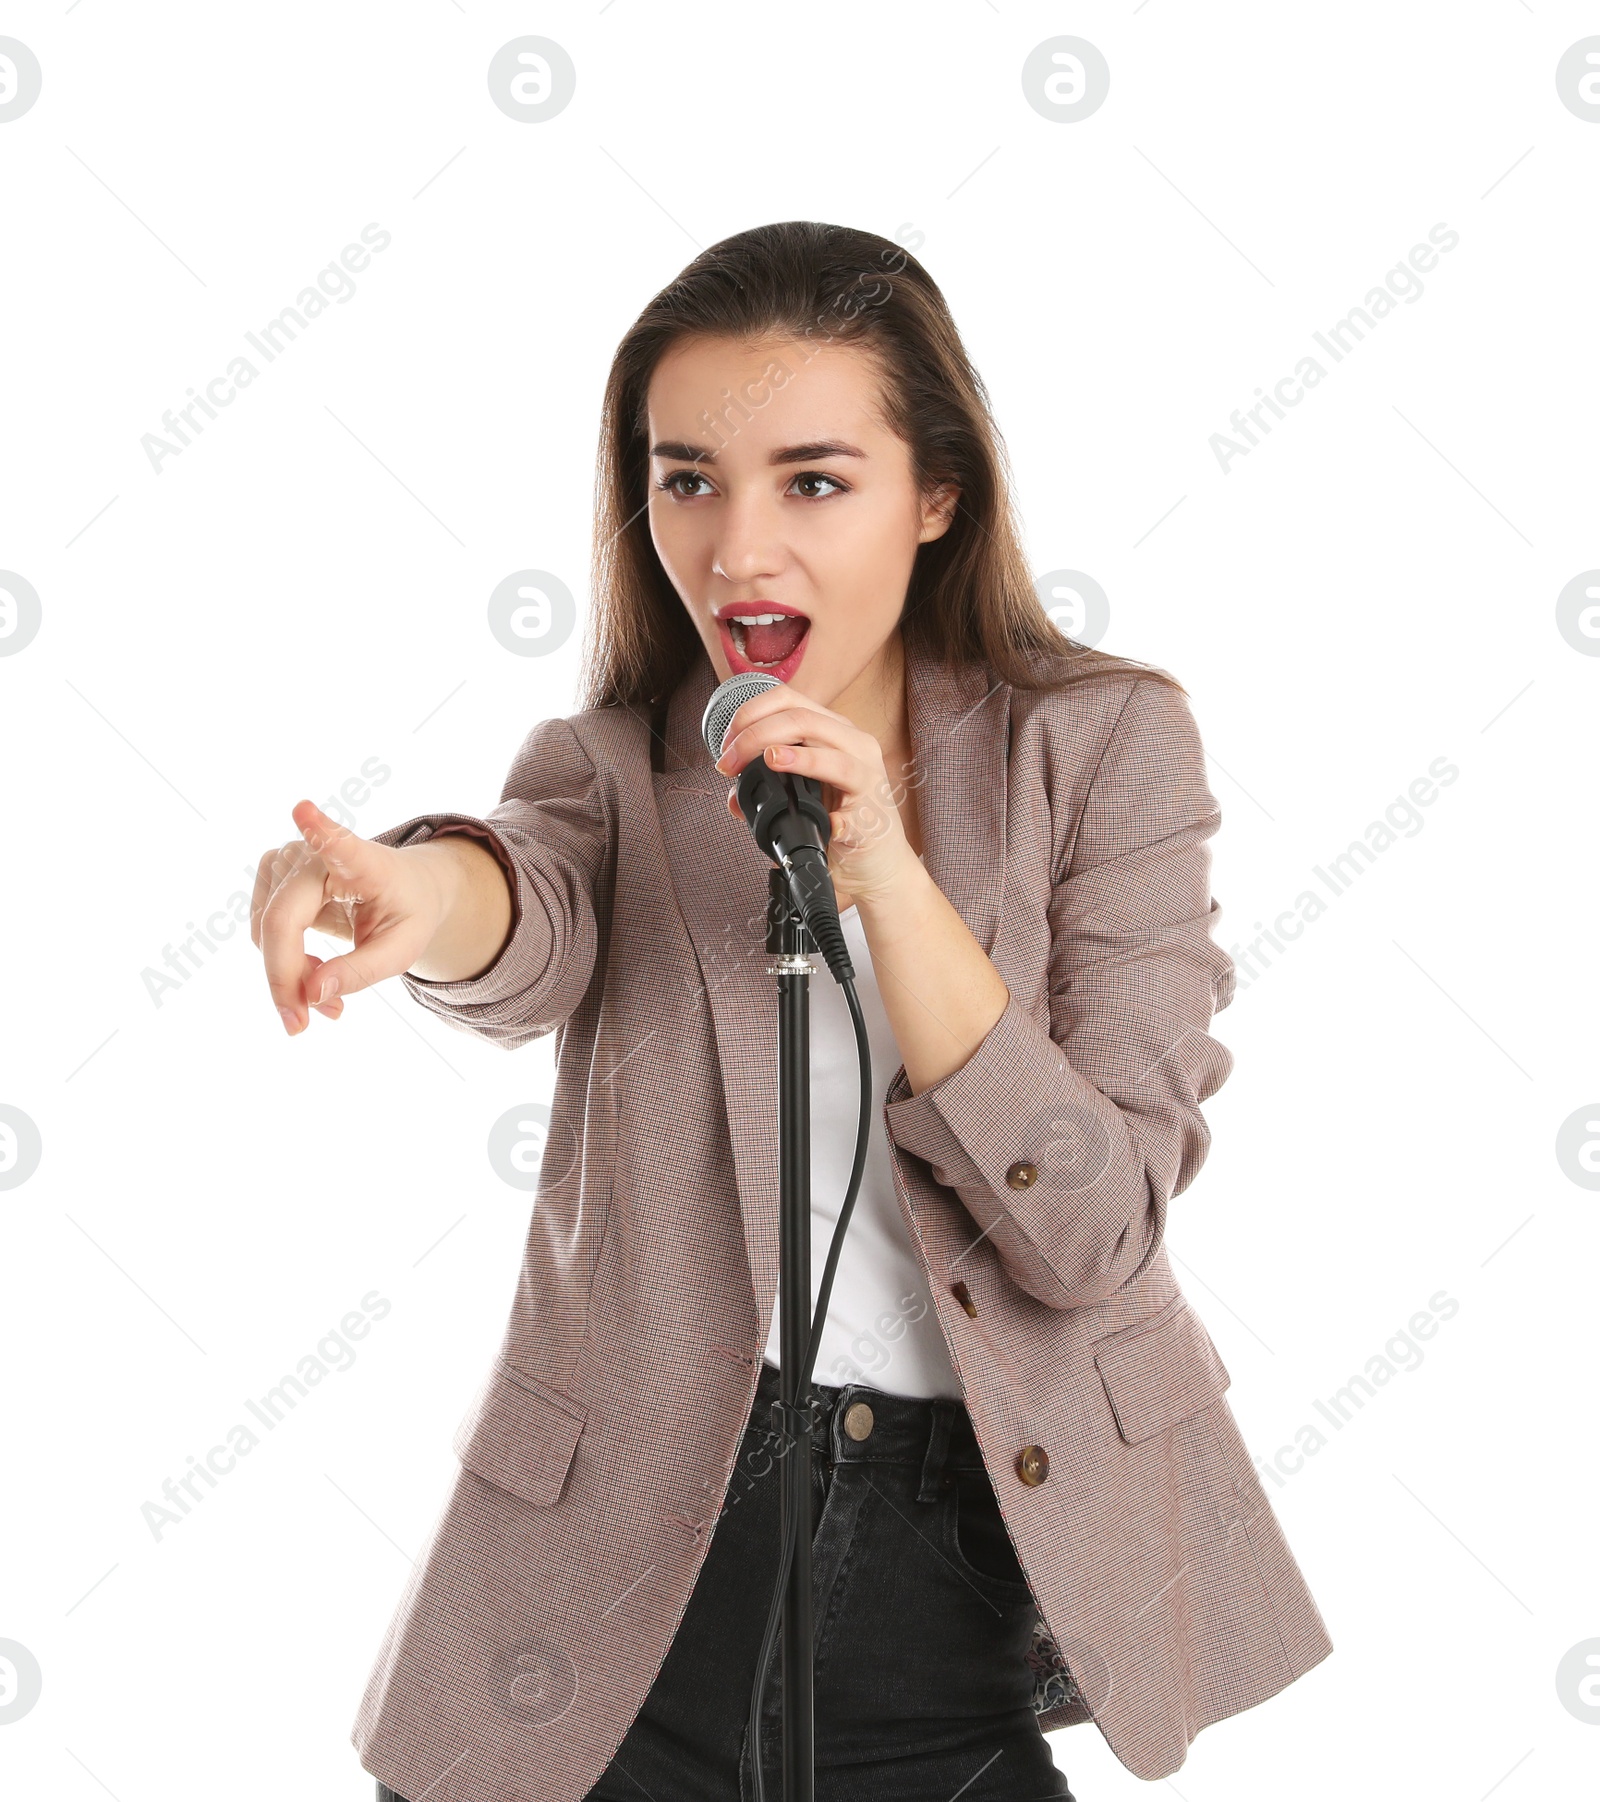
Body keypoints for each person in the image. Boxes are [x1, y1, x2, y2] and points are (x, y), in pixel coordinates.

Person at [252, 221, 1331, 1802]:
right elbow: (524, 906)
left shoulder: (1106, 749)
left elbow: (1096, 1228)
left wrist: (886, 873)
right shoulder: (619, 766)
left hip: (945, 1588)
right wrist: (423, 896)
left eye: (812, 481)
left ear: (936, 496)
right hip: (625, 1582)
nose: (738, 550)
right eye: (689, 479)